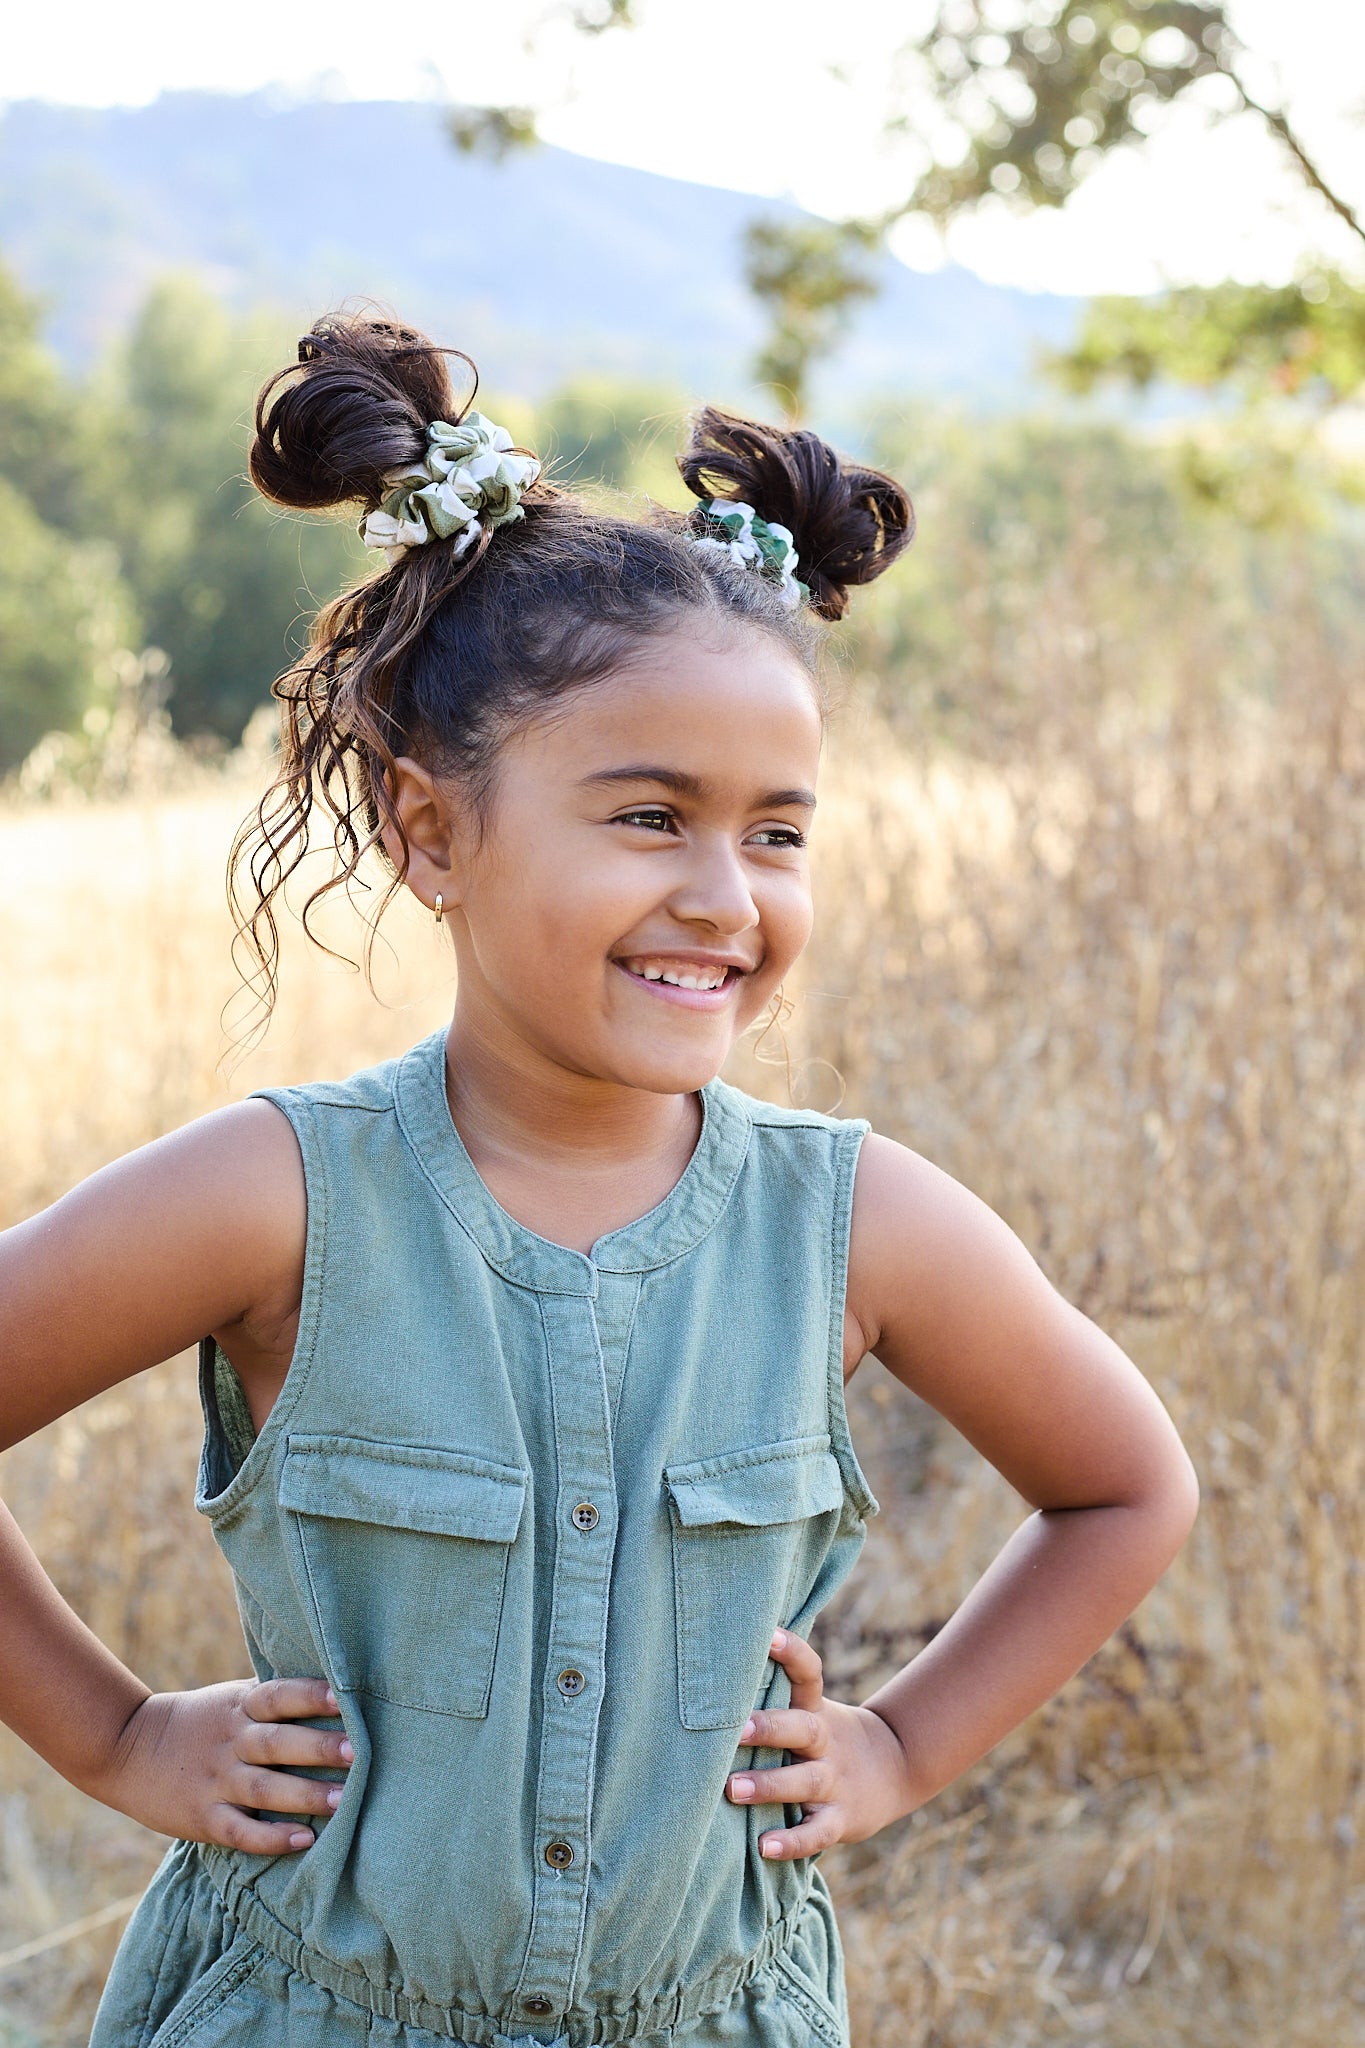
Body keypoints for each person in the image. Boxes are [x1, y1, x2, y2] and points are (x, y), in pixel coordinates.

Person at [0, 316, 1198, 2048]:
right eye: (649, 817)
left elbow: (1123, 1491)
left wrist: (900, 1743)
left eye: (776, 831)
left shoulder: (855, 1223)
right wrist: (115, 1738)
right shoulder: (278, 1198)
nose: (727, 893)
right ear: (430, 832)